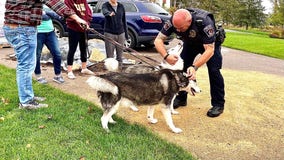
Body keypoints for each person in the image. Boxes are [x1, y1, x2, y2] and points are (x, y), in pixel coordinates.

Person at [3, 0, 88, 109]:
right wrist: (77, 18)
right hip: (23, 29)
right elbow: (54, 2)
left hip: (14, 27)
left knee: (26, 65)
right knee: (26, 66)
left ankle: (28, 96)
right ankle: (26, 101)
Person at [154, 8, 225, 117]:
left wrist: (195, 67)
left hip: (209, 45)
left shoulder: (204, 22)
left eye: (181, 28)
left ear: (189, 21)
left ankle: (218, 104)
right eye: (176, 28)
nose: (178, 30)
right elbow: (158, 40)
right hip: (190, 44)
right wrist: (166, 56)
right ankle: (181, 98)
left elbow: (209, 50)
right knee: (182, 69)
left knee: (214, 71)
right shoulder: (173, 21)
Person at [64, 0, 94, 79]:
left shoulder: (83, 0)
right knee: (72, 49)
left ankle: (84, 68)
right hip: (73, 28)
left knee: (84, 47)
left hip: (84, 29)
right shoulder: (68, 1)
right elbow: (67, 14)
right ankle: (69, 71)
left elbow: (88, 12)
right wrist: (78, 22)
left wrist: (88, 22)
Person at [35, 10, 65, 84]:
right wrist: (47, 14)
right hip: (38, 33)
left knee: (57, 53)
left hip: (51, 32)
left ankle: (57, 75)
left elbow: (55, 16)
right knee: (37, 55)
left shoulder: (47, 5)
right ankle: (38, 76)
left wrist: (47, 13)